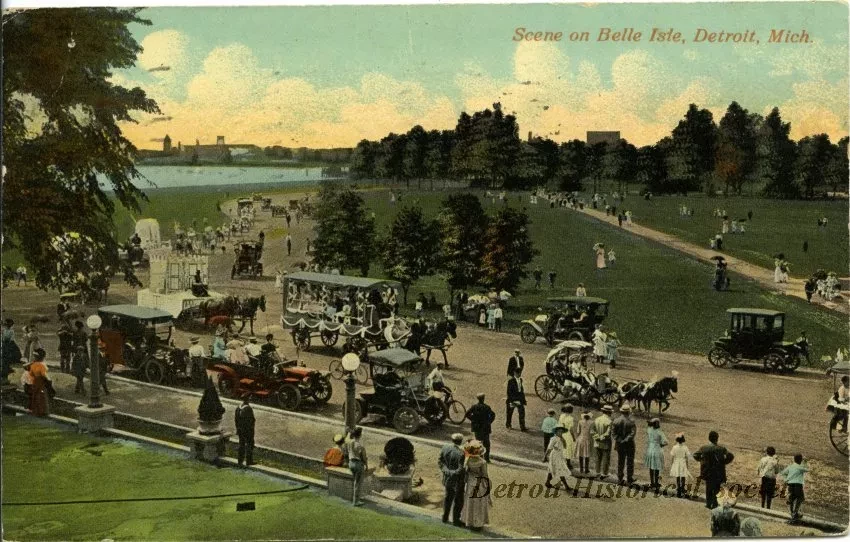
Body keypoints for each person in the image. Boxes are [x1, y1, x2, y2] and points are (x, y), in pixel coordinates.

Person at [693, 430, 735, 509]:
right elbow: (730, 456)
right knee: (717, 488)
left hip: (708, 471)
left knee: (708, 487)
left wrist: (702, 461)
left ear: (709, 438)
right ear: (717, 439)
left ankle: (708, 503)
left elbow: (695, 455)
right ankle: (715, 503)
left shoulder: (704, 448)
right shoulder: (721, 449)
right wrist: (724, 462)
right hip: (718, 471)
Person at [461, 440, 491, 531]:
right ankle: (477, 523)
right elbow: (484, 475)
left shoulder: (467, 460)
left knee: (470, 502)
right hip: (479, 483)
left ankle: (468, 520)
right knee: (478, 504)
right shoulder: (482, 462)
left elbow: (466, 473)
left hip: (470, 482)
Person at [439, 433, 466, 525]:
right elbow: (460, 469)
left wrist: (447, 472)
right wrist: (452, 473)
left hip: (447, 477)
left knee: (448, 498)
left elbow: (441, 462)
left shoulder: (445, 448)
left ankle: (445, 517)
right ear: (461, 441)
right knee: (458, 500)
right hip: (457, 480)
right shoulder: (462, 453)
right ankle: (456, 519)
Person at [465, 393, 495, 462]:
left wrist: (473, 419)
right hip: (485, 428)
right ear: (483, 399)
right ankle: (486, 458)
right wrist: (489, 422)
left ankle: (479, 458)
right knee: (487, 444)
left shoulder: (474, 407)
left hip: (477, 427)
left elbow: (467, 414)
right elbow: (493, 415)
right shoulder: (487, 407)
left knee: (478, 443)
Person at [612, 404, 637, 485]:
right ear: (628, 412)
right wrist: (626, 440)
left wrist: (620, 440)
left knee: (620, 461)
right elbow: (632, 433)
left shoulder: (616, 420)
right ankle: (629, 478)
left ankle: (620, 478)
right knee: (630, 461)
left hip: (619, 444)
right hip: (629, 444)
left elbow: (613, 433)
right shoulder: (631, 421)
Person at [780, 453, 808, 524]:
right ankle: (795, 513)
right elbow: (806, 469)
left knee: (791, 499)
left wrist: (786, 479)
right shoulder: (800, 467)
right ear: (800, 460)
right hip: (798, 485)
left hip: (790, 485)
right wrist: (805, 462)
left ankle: (793, 513)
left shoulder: (791, 466)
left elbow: (783, 473)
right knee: (801, 498)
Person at [544, 425, 573, 490]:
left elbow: (565, 447)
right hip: (554, 455)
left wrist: (563, 440)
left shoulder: (561, 439)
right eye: (559, 431)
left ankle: (547, 482)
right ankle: (566, 486)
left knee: (552, 469)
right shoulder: (553, 439)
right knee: (560, 470)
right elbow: (549, 448)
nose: (561, 433)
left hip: (560, 455)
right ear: (556, 432)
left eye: (562, 432)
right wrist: (545, 456)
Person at [644, 418, 668, 491]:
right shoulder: (660, 432)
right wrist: (661, 444)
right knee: (657, 467)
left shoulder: (649, 430)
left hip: (650, 449)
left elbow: (648, 427)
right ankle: (656, 483)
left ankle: (652, 482)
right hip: (657, 449)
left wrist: (650, 423)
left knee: (651, 467)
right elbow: (666, 442)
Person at [346, 427, 368, 506]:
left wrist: (349, 431)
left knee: (354, 481)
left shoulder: (349, 442)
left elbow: (347, 438)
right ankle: (355, 501)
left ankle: (353, 499)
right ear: (360, 435)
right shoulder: (360, 446)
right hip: (358, 464)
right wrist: (366, 466)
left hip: (351, 463)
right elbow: (364, 458)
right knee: (357, 483)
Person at [28, 349, 51, 416]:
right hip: (41, 381)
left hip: (35, 381)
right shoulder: (42, 366)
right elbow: (44, 375)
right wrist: (49, 380)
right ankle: (42, 411)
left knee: (35, 395)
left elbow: (31, 374)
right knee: (42, 395)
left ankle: (36, 411)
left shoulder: (33, 365)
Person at [592, 405, 613, 479]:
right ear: (609, 412)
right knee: (605, 458)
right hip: (606, 443)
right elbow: (608, 434)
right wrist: (601, 438)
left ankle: (597, 472)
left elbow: (592, 431)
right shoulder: (609, 421)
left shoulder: (597, 419)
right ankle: (604, 473)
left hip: (597, 442)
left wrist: (597, 438)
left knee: (598, 457)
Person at [669, 433, 693, 498]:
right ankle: (682, 488)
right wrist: (687, 465)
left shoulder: (674, 447)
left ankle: (679, 490)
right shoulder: (685, 447)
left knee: (678, 476)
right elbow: (687, 457)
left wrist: (672, 464)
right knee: (683, 476)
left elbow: (672, 456)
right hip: (683, 462)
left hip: (676, 462)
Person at [235, 396, 255, 467]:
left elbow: (236, 420)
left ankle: (240, 461)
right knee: (249, 444)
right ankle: (249, 461)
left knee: (241, 444)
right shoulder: (248, 409)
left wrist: (237, 429)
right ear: (247, 400)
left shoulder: (238, 408)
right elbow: (251, 420)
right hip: (247, 430)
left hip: (240, 430)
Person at [559, 405, 576, 470]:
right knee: (568, 448)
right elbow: (571, 430)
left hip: (561, 433)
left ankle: (561, 462)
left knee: (562, 448)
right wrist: (573, 437)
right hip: (567, 434)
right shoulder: (570, 418)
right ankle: (568, 463)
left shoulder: (561, 416)